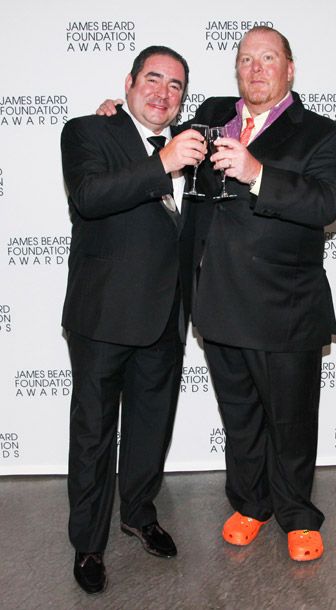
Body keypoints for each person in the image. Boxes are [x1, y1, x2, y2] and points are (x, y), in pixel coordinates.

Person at [97, 26, 336, 562]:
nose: (256, 69)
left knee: (290, 420)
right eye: (246, 59)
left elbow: (325, 204)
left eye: (268, 58)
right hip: (215, 299)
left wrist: (258, 173)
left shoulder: (326, 135)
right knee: (240, 418)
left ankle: (297, 515)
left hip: (285, 307)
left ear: (289, 69)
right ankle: (251, 503)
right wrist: (119, 118)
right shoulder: (213, 113)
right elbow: (159, 127)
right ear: (236, 69)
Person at [61, 46, 206, 594]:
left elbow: (252, 112)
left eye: (175, 85)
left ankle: (140, 514)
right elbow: (89, 196)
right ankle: (88, 544)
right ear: (128, 83)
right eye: (153, 79)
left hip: (166, 316)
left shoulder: (195, 140)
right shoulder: (87, 131)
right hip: (104, 315)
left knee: (151, 427)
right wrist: (161, 162)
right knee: (94, 436)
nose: (162, 93)